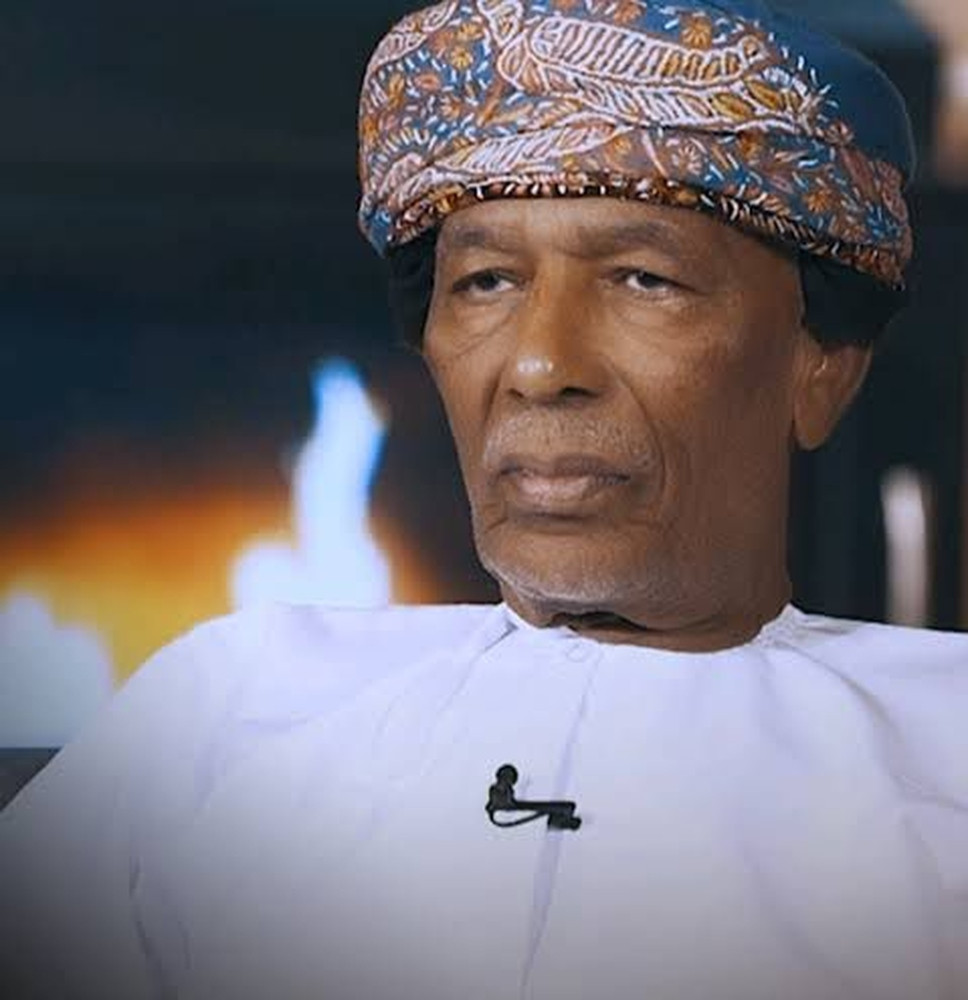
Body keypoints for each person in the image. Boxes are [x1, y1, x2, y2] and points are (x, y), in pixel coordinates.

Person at [2, 1, 967, 998]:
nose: (540, 364)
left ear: (822, 366)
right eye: (487, 282)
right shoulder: (232, 699)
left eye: (643, 280)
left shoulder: (943, 749)